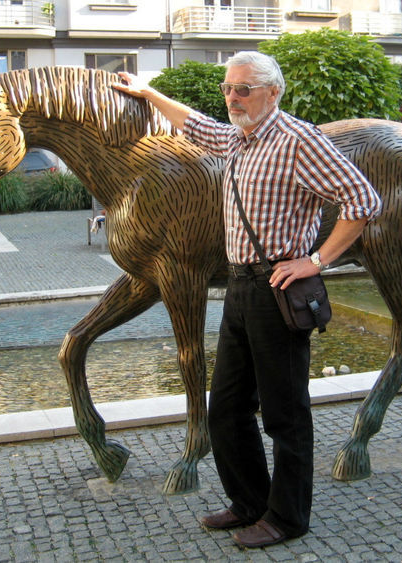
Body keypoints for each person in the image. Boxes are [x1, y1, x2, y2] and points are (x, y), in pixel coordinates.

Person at [113, 51, 381, 549]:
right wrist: (148, 94)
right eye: (228, 88)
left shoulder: (298, 140)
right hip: (239, 287)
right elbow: (196, 125)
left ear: (272, 92)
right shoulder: (239, 136)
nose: (233, 98)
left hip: (277, 290)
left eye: (244, 89)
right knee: (228, 408)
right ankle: (250, 502)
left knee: (285, 413)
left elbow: (363, 200)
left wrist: (316, 261)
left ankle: (287, 517)